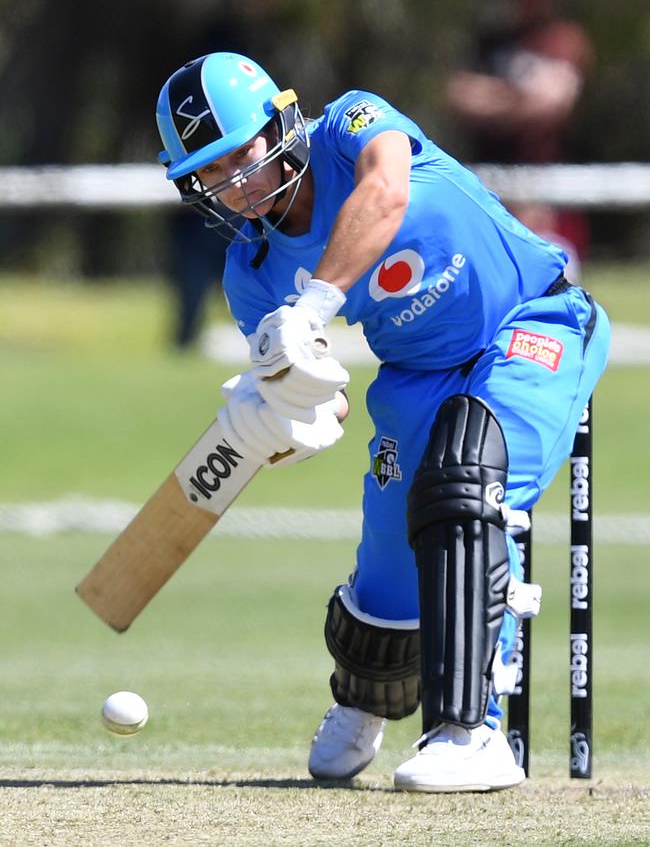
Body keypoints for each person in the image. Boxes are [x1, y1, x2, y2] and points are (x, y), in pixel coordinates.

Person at [156, 51, 609, 792]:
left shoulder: (350, 125)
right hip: (414, 374)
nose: (235, 189)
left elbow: (387, 191)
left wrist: (315, 305)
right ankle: (367, 700)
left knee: (464, 477)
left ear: (280, 124)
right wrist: (276, 420)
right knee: (391, 555)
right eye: (212, 175)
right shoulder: (252, 270)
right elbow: (317, 393)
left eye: (240, 159)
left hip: (534, 319)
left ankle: (471, 730)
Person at [445, 0, 594, 276]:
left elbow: (553, 103)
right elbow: (458, 95)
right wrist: (520, 97)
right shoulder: (491, 42)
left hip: (543, 184)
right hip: (487, 179)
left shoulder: (562, 39)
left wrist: (493, 97)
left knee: (548, 273)